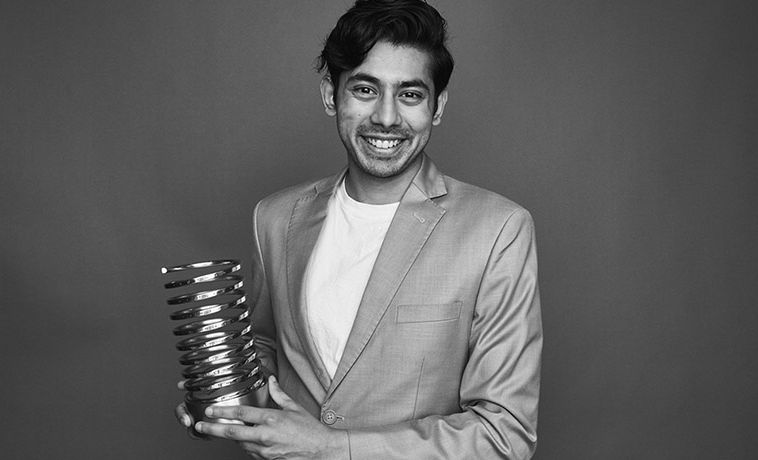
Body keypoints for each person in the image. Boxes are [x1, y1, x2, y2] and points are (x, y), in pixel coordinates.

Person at [176, 1, 542, 458]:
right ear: (331, 94)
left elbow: (504, 435)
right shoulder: (273, 217)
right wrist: (226, 394)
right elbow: (269, 346)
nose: (387, 117)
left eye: (409, 95)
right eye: (366, 89)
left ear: (438, 106)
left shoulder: (498, 230)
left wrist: (332, 448)